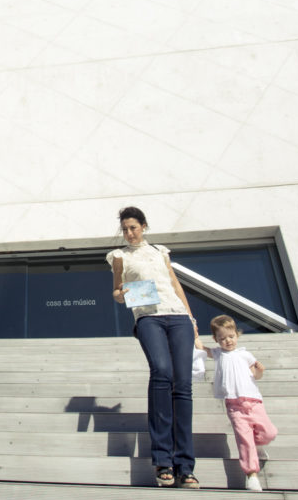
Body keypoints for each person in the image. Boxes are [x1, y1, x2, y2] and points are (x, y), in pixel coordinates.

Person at [107, 206, 200, 488]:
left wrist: (192, 318)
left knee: (182, 385)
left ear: (144, 226)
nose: (129, 233)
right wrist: (121, 295)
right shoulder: (119, 256)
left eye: (133, 227)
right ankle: (162, 460)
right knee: (161, 371)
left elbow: (173, 282)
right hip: (148, 317)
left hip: (178, 316)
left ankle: (185, 466)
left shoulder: (161, 251)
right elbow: (116, 291)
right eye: (125, 229)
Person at [196, 315, 278, 492]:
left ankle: (258, 446)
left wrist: (260, 372)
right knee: (244, 440)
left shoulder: (245, 354)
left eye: (231, 336)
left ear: (237, 335)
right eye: (222, 338)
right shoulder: (218, 354)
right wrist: (194, 333)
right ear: (216, 340)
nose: (228, 341)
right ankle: (251, 475)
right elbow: (201, 348)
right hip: (234, 406)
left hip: (254, 402)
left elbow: (255, 375)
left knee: (269, 433)